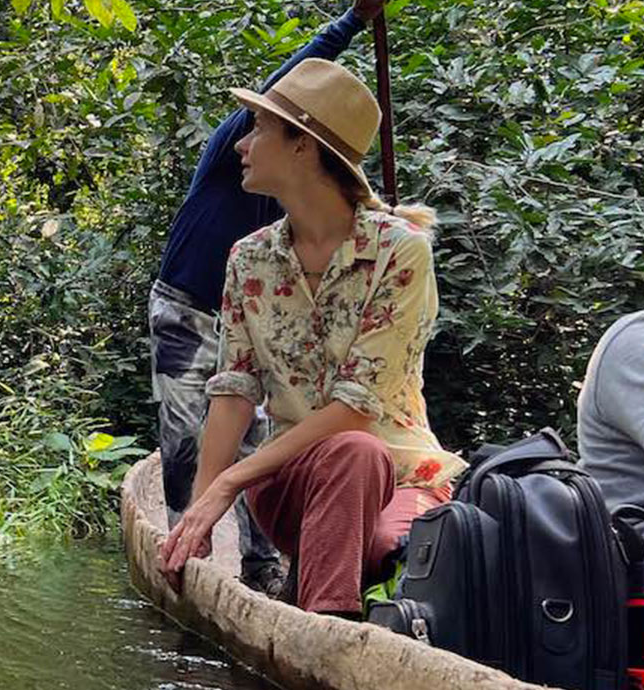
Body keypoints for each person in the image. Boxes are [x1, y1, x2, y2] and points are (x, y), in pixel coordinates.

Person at [156, 57, 464, 618]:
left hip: (401, 476)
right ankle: (327, 627)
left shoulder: (400, 252)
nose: (241, 145)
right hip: (292, 482)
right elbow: (234, 393)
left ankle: (319, 620)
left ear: (302, 146)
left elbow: (355, 408)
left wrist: (229, 483)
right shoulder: (249, 259)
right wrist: (199, 512)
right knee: (349, 459)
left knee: (370, 493)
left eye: (259, 129)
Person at [149, 0, 385, 594]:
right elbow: (292, 84)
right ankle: (185, 544)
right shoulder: (237, 153)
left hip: (249, 319)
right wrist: (350, 23)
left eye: (263, 129)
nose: (246, 141)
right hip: (186, 306)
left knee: (259, 436)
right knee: (183, 434)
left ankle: (259, 567)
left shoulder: (288, 216)